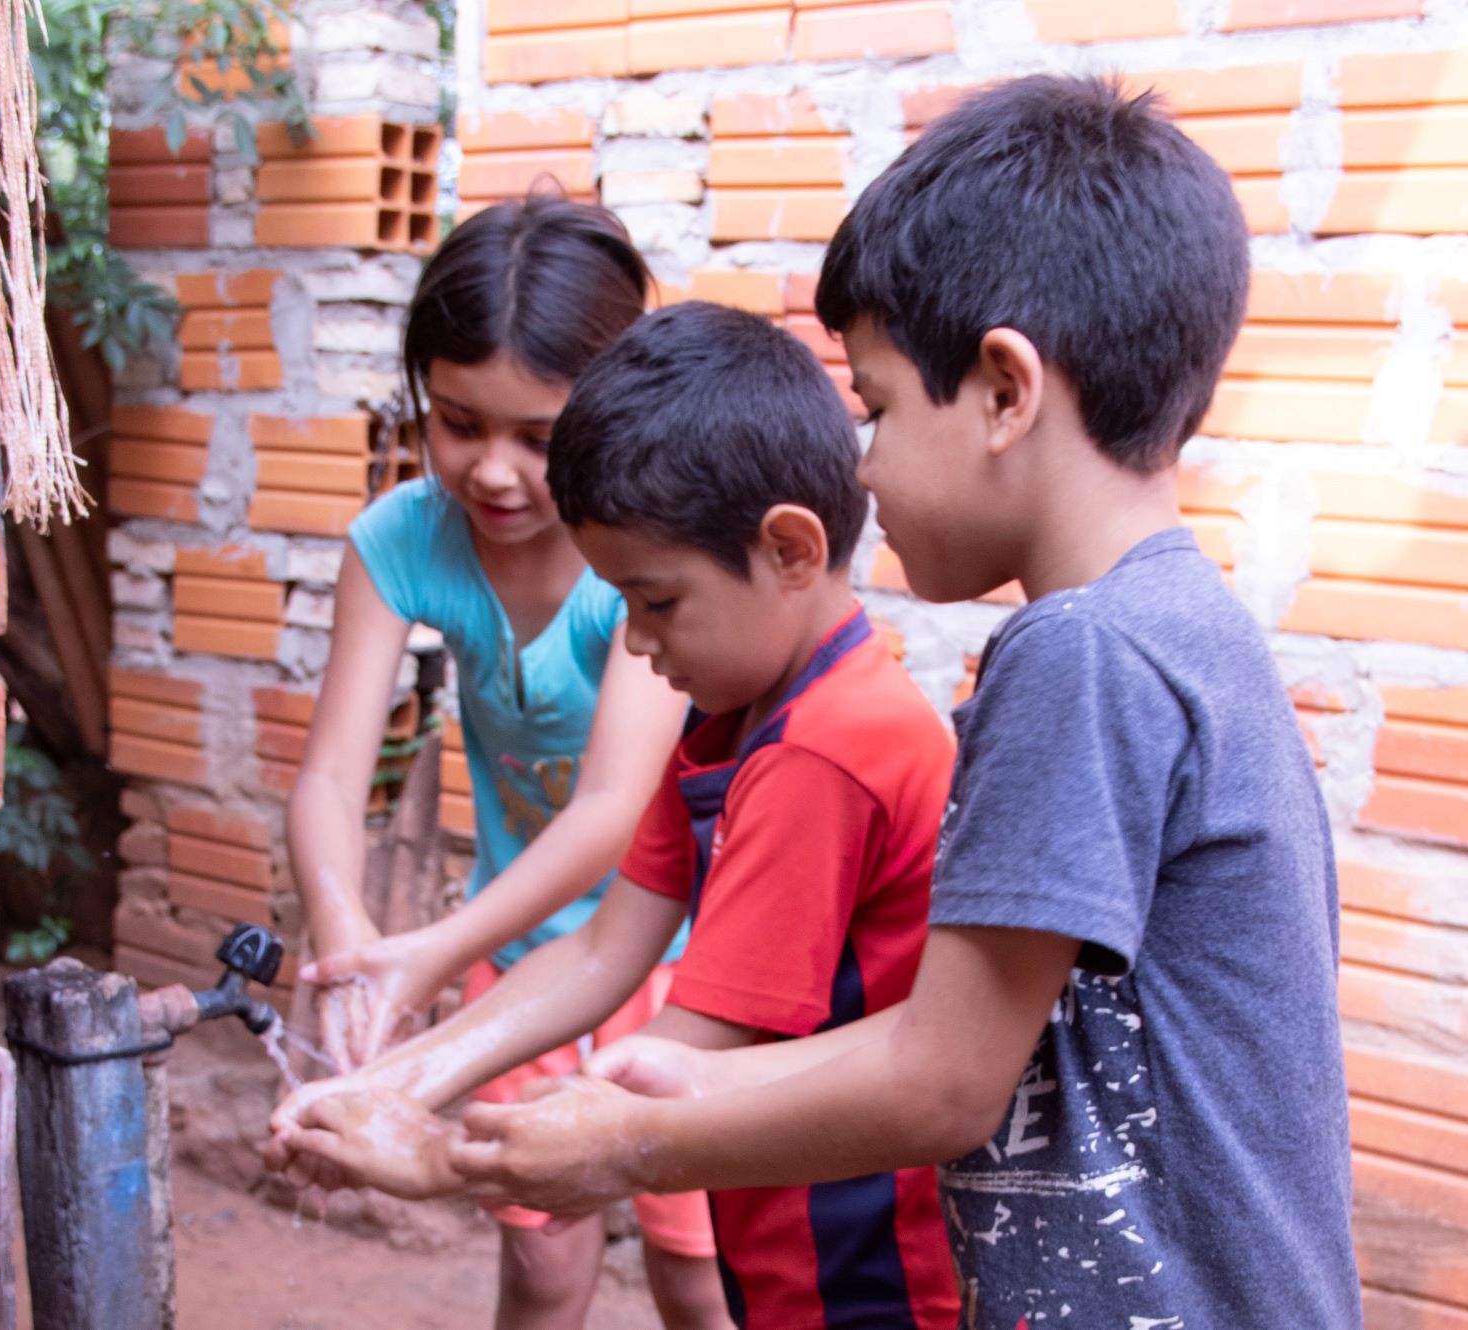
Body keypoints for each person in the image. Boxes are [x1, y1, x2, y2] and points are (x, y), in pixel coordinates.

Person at [439, 77, 1364, 1329]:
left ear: (1002, 390)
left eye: (873, 406)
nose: (862, 462)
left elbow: (941, 1083)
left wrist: (629, 1142)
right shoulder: (1181, 629)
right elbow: (958, 1036)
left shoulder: (1082, 654)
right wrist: (677, 1088)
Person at [268, 301, 963, 1329]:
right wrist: (392, 1081)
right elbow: (602, 946)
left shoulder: (826, 750)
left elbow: (660, 1081)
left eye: (655, 601)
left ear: (789, 551)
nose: (634, 643)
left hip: (865, 1267)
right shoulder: (738, 721)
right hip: (788, 1234)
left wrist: (433, 1153)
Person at [284, 195, 728, 1330]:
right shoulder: (397, 541)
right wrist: (350, 948)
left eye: (538, 435)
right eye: (458, 421)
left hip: (687, 958)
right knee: (538, 1255)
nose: (492, 471)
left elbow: (610, 814)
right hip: (522, 951)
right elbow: (334, 777)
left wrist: (425, 956)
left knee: (697, 1265)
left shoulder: (635, 553)